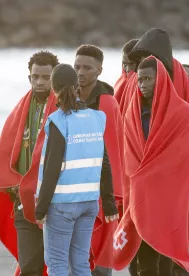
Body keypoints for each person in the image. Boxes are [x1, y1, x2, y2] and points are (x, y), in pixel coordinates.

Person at [120, 28, 189, 275]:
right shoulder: (136, 86)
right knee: (143, 247)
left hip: (187, 179)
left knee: (182, 247)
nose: (142, 64)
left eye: (149, 56)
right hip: (147, 182)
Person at [112, 56, 189, 276]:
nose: (142, 84)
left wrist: (152, 175)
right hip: (141, 193)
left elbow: (183, 155)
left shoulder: (181, 112)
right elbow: (128, 152)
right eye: (140, 79)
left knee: (167, 260)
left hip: (170, 196)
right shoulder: (132, 111)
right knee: (146, 261)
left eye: (148, 79)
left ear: (161, 79)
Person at [35, 63, 119, 276]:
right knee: (81, 263)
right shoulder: (97, 118)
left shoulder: (58, 121)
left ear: (54, 90)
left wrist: (41, 208)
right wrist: (108, 203)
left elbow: (52, 169)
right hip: (89, 203)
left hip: (62, 204)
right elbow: (105, 163)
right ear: (76, 86)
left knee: (57, 263)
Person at [0, 51, 59, 276]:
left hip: (57, 203)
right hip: (24, 201)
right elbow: (5, 154)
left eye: (46, 77)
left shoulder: (65, 110)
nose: (39, 82)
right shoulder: (19, 112)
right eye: (35, 77)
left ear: (55, 78)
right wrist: (12, 186)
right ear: (29, 78)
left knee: (58, 266)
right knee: (29, 267)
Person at [74, 44, 124, 275]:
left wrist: (111, 197)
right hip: (71, 191)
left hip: (102, 194)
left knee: (101, 263)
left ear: (99, 71)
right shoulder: (65, 100)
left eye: (87, 68)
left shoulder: (108, 104)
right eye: (76, 67)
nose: (80, 73)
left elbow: (113, 153)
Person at [114, 39, 140, 118]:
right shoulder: (120, 81)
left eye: (132, 64)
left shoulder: (144, 83)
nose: (128, 69)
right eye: (125, 64)